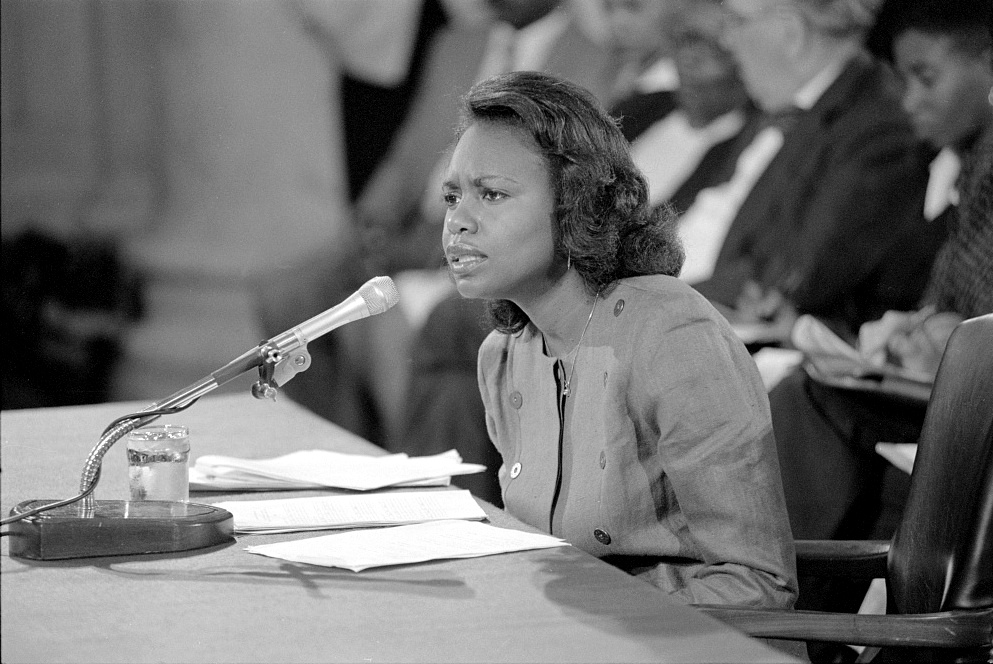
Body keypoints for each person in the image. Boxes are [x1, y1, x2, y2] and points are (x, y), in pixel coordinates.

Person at [443, 70, 798, 609]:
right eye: (452, 196)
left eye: (491, 194)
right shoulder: (503, 355)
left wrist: (586, 613)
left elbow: (758, 586)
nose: (458, 223)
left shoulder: (672, 336)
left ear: (577, 203)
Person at [768, 2, 993, 659]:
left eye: (926, 77)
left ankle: (776, 610)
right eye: (903, 80)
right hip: (940, 395)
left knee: (807, 396)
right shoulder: (967, 162)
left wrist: (938, 331)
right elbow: (945, 303)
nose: (909, 100)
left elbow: (975, 321)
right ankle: (795, 612)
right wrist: (915, 328)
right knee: (806, 385)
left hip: (968, 419)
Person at [687, 0, 937, 341]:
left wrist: (660, 293)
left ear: (792, 33)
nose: (727, 41)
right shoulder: (778, 107)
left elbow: (790, 280)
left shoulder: (876, 131)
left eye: (738, 23)